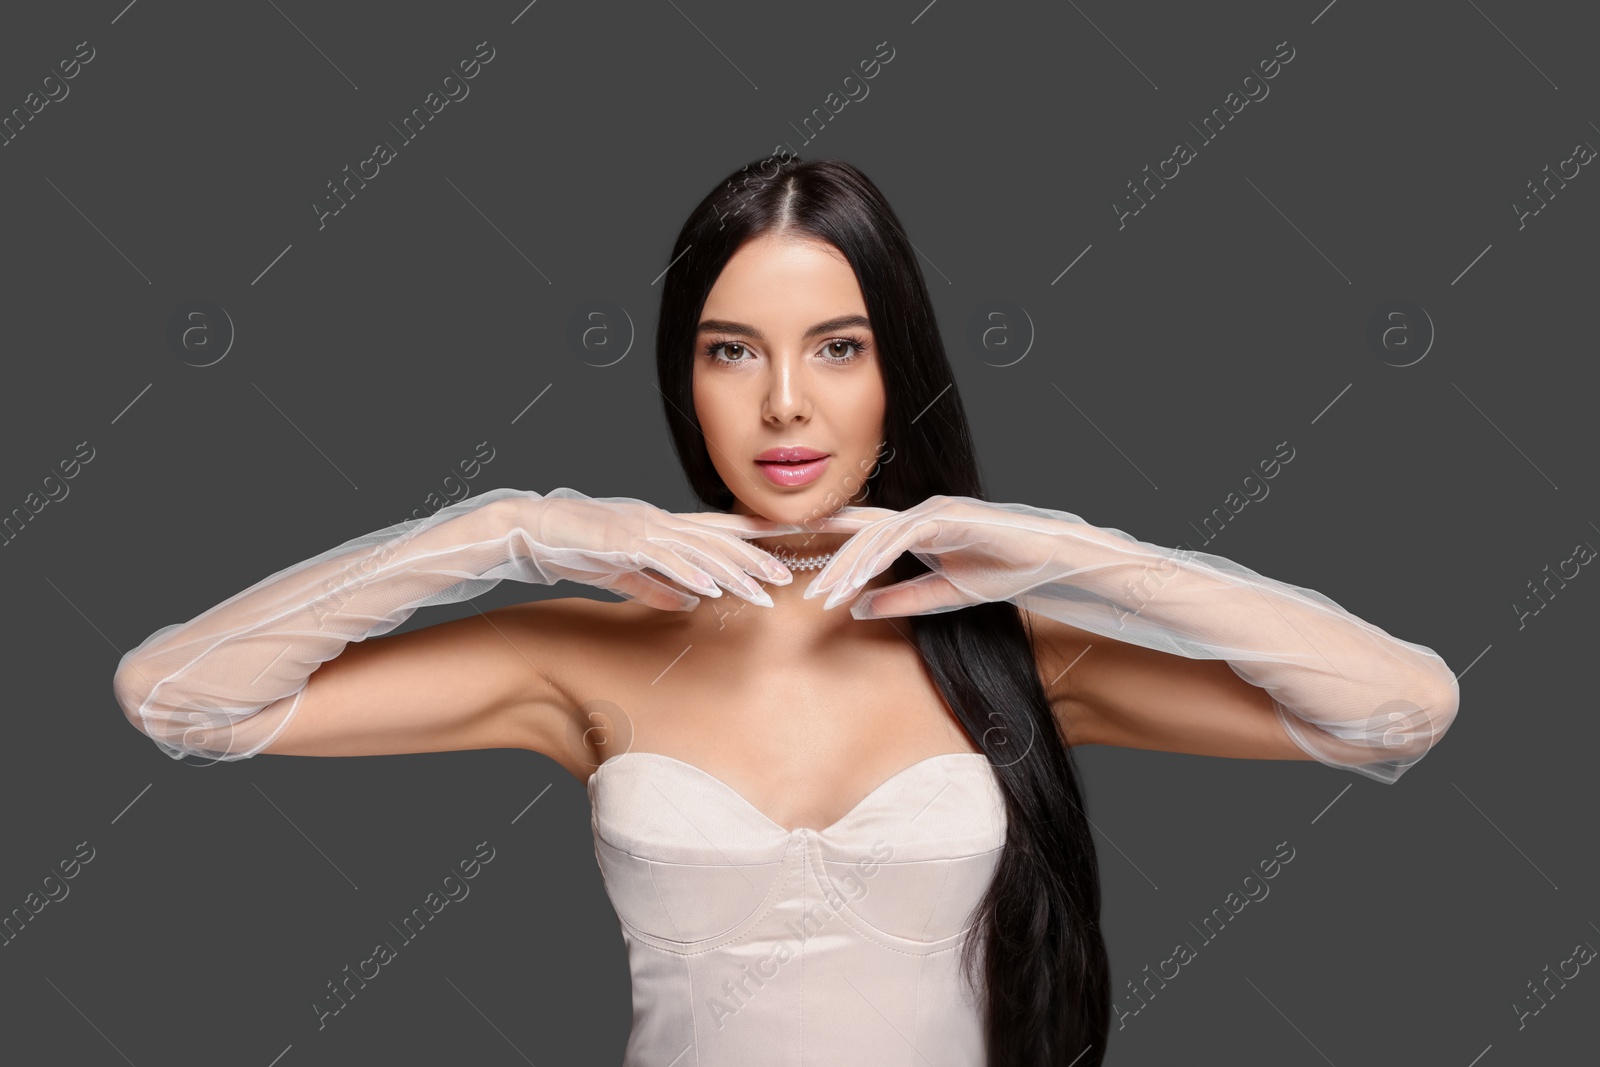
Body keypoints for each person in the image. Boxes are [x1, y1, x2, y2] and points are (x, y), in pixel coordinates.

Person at [111, 156, 1460, 1066]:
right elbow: (180, 697)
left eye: (838, 348)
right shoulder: (587, 653)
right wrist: (504, 530)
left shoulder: (1016, 652)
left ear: (897, 373)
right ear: (681, 381)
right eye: (730, 351)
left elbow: (1400, 708)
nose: (783, 406)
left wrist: (1065, 552)